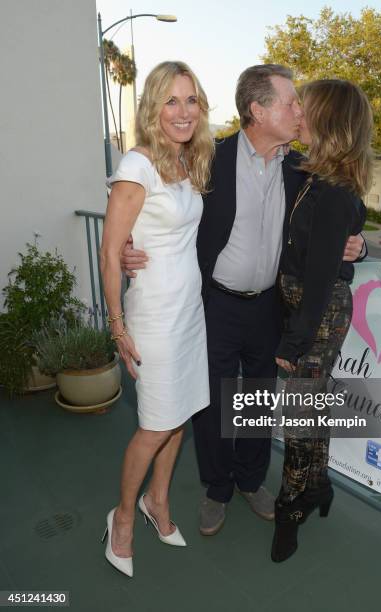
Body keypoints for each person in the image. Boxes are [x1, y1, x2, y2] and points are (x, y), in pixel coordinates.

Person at [121, 64, 366, 537]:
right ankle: (216, 489)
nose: (299, 111)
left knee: (256, 395)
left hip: (270, 306)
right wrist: (129, 246)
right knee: (210, 400)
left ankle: (252, 480)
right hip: (214, 303)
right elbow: (161, 206)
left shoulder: (302, 167)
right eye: (290, 102)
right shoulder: (210, 157)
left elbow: (345, 212)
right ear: (258, 109)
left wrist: (358, 244)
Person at [99, 61, 214, 577]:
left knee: (180, 417)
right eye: (171, 100)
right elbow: (108, 254)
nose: (183, 111)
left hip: (190, 312)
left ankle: (158, 502)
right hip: (154, 317)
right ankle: (122, 519)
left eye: (190, 100)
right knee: (152, 426)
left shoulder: (188, 163)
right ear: (152, 107)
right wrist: (117, 326)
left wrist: (133, 246)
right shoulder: (137, 166)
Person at [271, 79, 373, 562]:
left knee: (296, 417)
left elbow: (317, 282)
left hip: (319, 316)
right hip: (307, 311)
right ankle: (319, 486)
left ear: (328, 121)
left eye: (304, 107)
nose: (297, 114)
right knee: (311, 411)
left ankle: (290, 506)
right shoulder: (308, 170)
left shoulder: (335, 191)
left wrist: (292, 343)